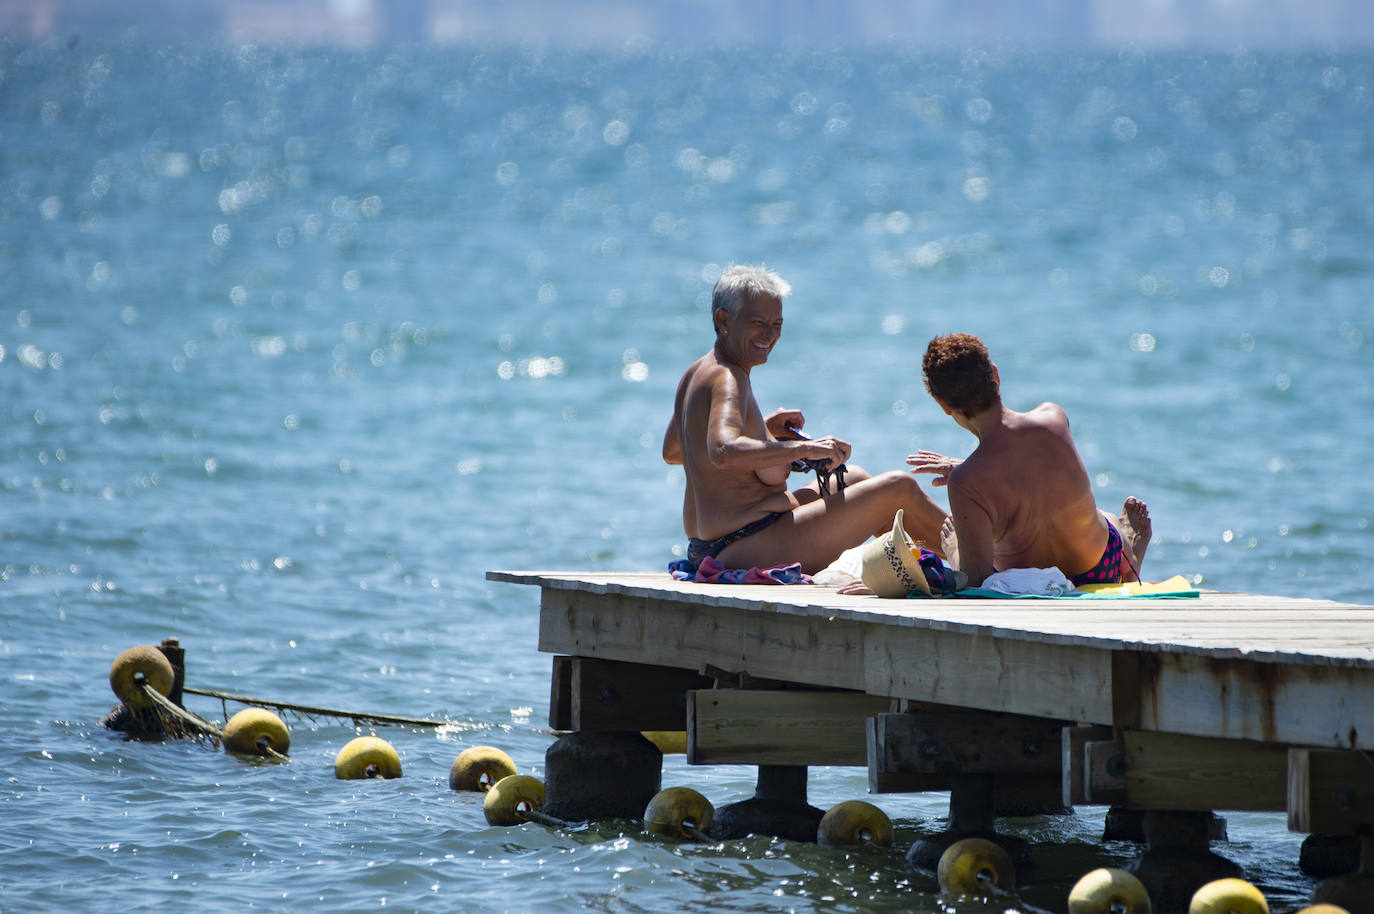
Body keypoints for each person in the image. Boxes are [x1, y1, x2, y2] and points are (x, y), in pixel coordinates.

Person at [663, 264, 949, 575]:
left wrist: (763, 431)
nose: (770, 335)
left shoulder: (695, 373)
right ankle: (981, 562)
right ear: (724, 320)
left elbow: (675, 452)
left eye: (777, 323)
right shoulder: (729, 378)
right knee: (899, 487)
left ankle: (927, 568)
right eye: (758, 322)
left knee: (856, 478)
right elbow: (723, 450)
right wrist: (807, 450)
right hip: (746, 544)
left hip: (712, 543)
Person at [906, 333, 1151, 588]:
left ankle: (1130, 556)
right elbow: (1029, 470)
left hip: (1029, 584)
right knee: (1106, 518)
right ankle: (1129, 558)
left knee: (975, 543)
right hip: (1102, 569)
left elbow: (976, 579)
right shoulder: (1053, 417)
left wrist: (954, 548)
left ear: (943, 404)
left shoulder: (966, 481)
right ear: (996, 375)